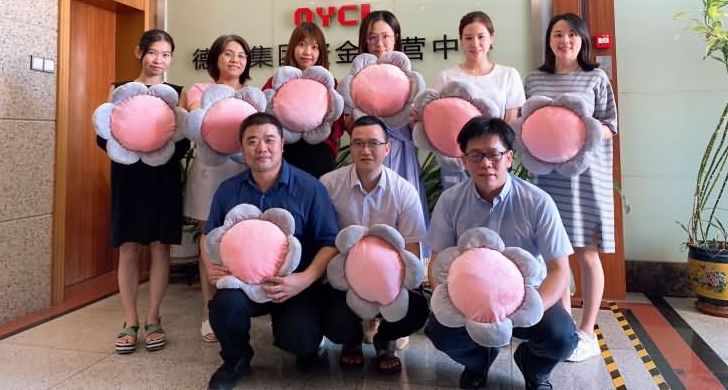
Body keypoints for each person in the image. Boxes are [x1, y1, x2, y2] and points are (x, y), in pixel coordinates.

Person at [424, 117, 577, 390]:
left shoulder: (538, 202)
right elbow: (437, 262)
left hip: (528, 295)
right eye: (475, 155)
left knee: (562, 338)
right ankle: (478, 363)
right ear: (464, 160)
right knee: (440, 332)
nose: (485, 163)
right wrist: (453, 303)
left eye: (494, 154)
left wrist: (529, 308)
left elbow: (559, 270)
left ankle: (533, 367)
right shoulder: (450, 201)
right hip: (470, 301)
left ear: (509, 157)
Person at [202, 113, 339, 390]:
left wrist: (303, 280)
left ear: (282, 144)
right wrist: (210, 266)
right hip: (243, 282)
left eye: (269, 140)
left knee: (300, 339)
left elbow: (330, 242)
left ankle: (306, 346)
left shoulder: (309, 188)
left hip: (293, 285)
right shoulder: (228, 190)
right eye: (252, 141)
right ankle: (236, 359)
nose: (261, 148)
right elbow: (208, 235)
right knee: (223, 306)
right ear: (242, 148)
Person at [524, 13, 618, 362]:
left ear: (583, 40)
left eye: (572, 34)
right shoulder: (534, 79)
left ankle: (587, 331)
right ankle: (564, 328)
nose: (564, 40)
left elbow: (610, 125)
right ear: (549, 40)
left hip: (585, 178)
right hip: (546, 180)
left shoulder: (596, 77)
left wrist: (578, 134)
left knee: (587, 253)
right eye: (558, 34)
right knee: (556, 254)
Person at [96, 29, 189, 354]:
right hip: (128, 176)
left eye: (165, 54)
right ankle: (129, 320)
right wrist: (131, 143)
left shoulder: (177, 94)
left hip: (163, 176)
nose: (158, 60)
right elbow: (104, 133)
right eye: (153, 52)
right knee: (128, 247)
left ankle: (153, 318)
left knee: (161, 247)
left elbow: (183, 140)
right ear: (140, 52)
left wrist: (156, 145)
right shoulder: (119, 90)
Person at [319, 116, 429, 373]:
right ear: (351, 147)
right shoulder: (329, 185)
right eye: (358, 143)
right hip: (343, 277)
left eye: (373, 143)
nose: (365, 150)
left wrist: (391, 287)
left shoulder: (404, 191)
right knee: (330, 317)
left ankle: (385, 338)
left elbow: (411, 251)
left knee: (416, 310)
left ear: (387, 148)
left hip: (390, 280)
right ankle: (351, 339)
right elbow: (323, 239)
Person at [183, 34, 252, 343]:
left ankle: (240, 306)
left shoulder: (251, 95)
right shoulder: (199, 90)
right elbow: (198, 122)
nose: (235, 59)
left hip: (243, 171)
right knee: (208, 240)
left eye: (241, 55)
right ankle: (208, 310)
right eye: (228, 53)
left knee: (243, 238)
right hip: (209, 172)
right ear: (215, 58)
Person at [434, 11, 525, 190]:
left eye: (481, 37)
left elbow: (510, 123)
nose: (475, 44)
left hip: (494, 159)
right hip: (458, 159)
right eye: (468, 38)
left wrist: (493, 154)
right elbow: (441, 122)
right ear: (461, 40)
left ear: (492, 38)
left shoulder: (508, 75)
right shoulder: (447, 77)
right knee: (458, 204)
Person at [355, 10, 428, 220]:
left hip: (401, 154)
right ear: (365, 41)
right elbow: (352, 126)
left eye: (385, 36)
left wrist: (417, 120)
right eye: (372, 37)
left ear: (396, 37)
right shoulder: (356, 79)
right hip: (369, 153)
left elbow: (418, 130)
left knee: (406, 216)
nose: (379, 44)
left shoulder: (411, 78)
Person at [262, 22, 344, 178]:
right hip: (285, 153)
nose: (307, 52)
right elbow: (264, 119)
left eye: (314, 47)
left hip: (320, 154)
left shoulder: (330, 84)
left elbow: (338, 126)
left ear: (321, 52)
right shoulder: (276, 82)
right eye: (301, 45)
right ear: (293, 48)